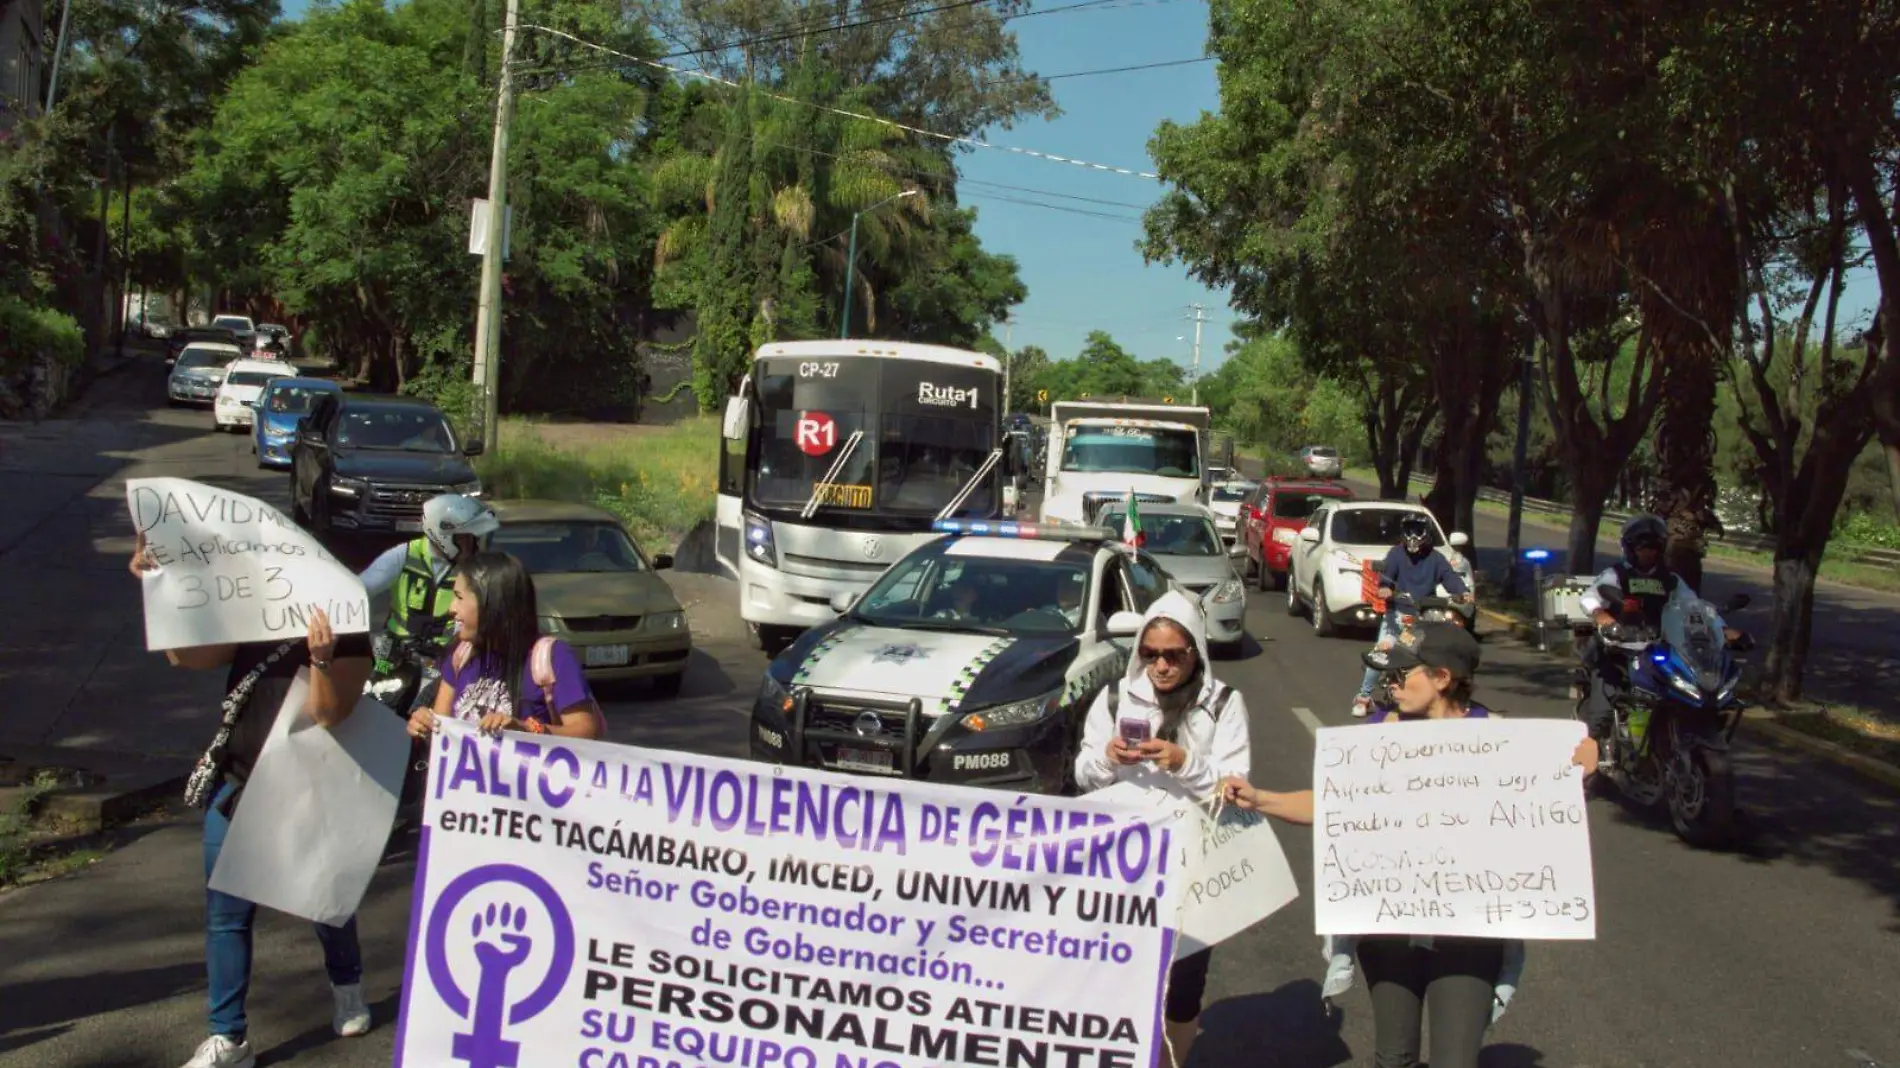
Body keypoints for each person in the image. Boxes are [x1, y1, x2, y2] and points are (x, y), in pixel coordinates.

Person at [1222, 623, 1596, 1068]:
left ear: (1442, 678)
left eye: (1402, 675)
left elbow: (1546, 808)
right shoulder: (1377, 737)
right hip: (1389, 929)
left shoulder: (1501, 741)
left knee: (1455, 1060)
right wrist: (1261, 798)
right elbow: (1331, 805)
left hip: (1469, 935)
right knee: (1393, 1057)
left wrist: (1578, 767)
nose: (1390, 685)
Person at [129, 535, 376, 1068]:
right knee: (226, 915)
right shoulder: (254, 610)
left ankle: (347, 985)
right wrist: (158, 587)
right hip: (239, 784)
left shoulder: (349, 627)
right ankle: (228, 1037)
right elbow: (188, 656)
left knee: (325, 901)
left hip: (309, 787)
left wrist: (323, 660)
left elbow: (331, 714)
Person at [1072, 591, 1249, 1068]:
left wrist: (1184, 762)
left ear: (1196, 652)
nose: (1162, 666)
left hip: (1192, 868)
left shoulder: (1224, 704)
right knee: (1114, 978)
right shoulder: (1115, 697)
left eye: (1174, 654)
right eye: (1151, 654)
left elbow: (1236, 789)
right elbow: (1083, 775)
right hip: (1123, 870)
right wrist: (1108, 758)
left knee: (1183, 988)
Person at [406, 551, 605, 740]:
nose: (451, 608)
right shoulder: (460, 653)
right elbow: (443, 726)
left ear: (492, 603)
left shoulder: (552, 657)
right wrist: (425, 725)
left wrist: (526, 729)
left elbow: (587, 732)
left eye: (459, 597)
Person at [1575, 514, 1729, 745]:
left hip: (1658, 650)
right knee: (1601, 716)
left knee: (1688, 696)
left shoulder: (1672, 580)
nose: (1648, 553)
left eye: (1653, 548)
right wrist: (1605, 618)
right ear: (1630, 548)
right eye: (1642, 547)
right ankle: (1591, 766)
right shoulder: (1615, 575)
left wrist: (1722, 630)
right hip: (1618, 650)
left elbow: (1694, 607)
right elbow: (1590, 599)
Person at [357, 494, 498, 669]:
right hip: (392, 650)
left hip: (445, 656)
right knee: (375, 690)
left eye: (473, 538)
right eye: (463, 538)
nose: (472, 546)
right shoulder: (405, 554)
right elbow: (358, 591)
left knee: (451, 693)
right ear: (443, 536)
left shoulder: (475, 568)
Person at [1352, 513, 1471, 718]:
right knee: (1382, 652)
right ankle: (1363, 697)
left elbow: (1449, 577)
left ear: (1427, 533)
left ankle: (1447, 701)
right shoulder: (1396, 554)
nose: (1413, 535)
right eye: (1409, 529)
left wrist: (1462, 592)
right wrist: (1385, 588)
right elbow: (1386, 576)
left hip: (1426, 617)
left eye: (1418, 530)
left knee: (1438, 657)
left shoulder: (1435, 558)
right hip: (1397, 615)